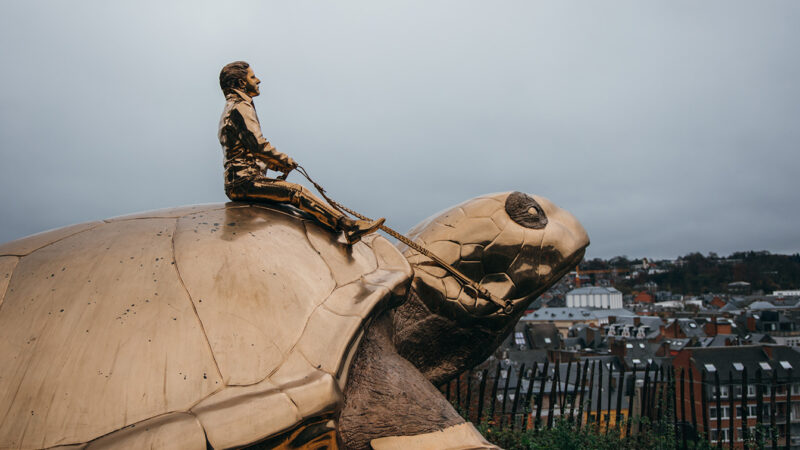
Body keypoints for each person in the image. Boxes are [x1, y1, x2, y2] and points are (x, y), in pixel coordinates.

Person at [218, 61, 384, 245]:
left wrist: (276, 165)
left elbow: (250, 150)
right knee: (297, 192)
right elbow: (258, 145)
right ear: (241, 84)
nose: (258, 80)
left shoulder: (235, 107)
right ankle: (348, 226)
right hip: (244, 182)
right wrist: (284, 160)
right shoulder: (240, 107)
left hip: (245, 180)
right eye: (252, 77)